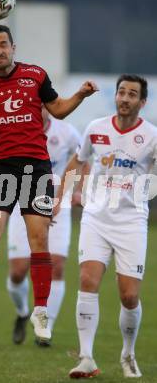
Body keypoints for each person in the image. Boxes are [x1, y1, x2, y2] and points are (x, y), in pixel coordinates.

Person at [0, 23, 97, 344]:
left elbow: (59, 110)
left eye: (3, 44)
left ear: (13, 47)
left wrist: (79, 94)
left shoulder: (36, 75)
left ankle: (40, 313)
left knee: (39, 241)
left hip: (37, 171)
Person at [60, 74, 157, 379]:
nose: (125, 99)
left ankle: (128, 354)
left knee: (129, 297)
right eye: (121, 93)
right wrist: (62, 196)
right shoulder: (95, 128)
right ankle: (86, 357)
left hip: (131, 221)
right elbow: (79, 162)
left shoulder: (152, 136)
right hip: (96, 218)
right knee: (88, 280)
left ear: (142, 102)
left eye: (132, 95)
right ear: (115, 96)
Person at [7, 106, 89, 346]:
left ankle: (45, 327)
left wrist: (78, 190)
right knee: (18, 272)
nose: (38, 109)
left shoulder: (68, 133)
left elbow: (83, 162)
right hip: (23, 205)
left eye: (42, 104)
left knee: (57, 266)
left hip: (57, 205)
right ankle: (23, 312)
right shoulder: (15, 131)